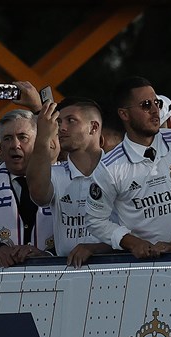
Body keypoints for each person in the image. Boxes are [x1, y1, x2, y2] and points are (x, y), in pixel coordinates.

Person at [85, 76, 171, 258]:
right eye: (146, 105)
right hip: (141, 261)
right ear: (124, 114)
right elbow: (95, 219)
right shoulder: (109, 167)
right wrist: (134, 243)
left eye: (157, 103)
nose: (155, 110)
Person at [25, 97, 110, 267]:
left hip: (117, 269)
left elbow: (138, 231)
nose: (62, 128)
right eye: (59, 122)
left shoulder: (120, 170)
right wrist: (43, 137)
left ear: (93, 127)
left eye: (71, 121)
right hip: (68, 272)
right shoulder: (54, 174)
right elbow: (38, 195)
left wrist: (95, 248)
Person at [0, 109, 53, 267]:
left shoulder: (59, 176)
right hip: (3, 274)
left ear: (38, 141)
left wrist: (47, 255)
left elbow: (73, 233)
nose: (15, 145)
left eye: (23, 137)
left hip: (53, 272)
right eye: (7, 139)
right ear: (0, 146)